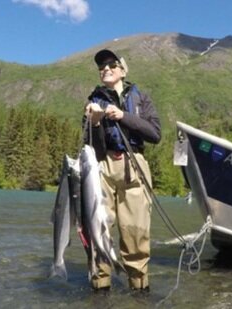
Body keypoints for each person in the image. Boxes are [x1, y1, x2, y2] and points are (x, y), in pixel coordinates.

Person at [83, 49, 161, 292]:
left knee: (135, 231)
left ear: (122, 69)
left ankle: (138, 290)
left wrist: (123, 116)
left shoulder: (141, 98)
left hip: (134, 165)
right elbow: (90, 148)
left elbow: (155, 134)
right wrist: (95, 123)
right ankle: (100, 287)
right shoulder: (93, 101)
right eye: (102, 66)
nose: (105, 69)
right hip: (102, 168)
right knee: (98, 229)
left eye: (111, 64)